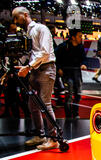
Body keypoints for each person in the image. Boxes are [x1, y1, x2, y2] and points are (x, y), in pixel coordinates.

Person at [13, 7, 60, 150]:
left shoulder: (41, 29)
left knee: (45, 104)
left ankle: (54, 139)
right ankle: (40, 135)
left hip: (46, 68)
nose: (15, 21)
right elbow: (30, 53)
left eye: (16, 17)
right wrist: (22, 65)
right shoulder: (27, 32)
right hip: (34, 70)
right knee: (33, 105)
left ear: (25, 15)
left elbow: (45, 52)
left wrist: (28, 67)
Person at [56, 28, 87, 119]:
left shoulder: (80, 47)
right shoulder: (63, 46)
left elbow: (83, 59)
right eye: (79, 36)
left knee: (78, 94)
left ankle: (75, 112)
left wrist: (83, 64)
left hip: (77, 73)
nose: (81, 38)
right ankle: (69, 115)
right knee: (69, 94)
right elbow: (55, 58)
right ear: (73, 37)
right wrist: (59, 68)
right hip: (67, 73)